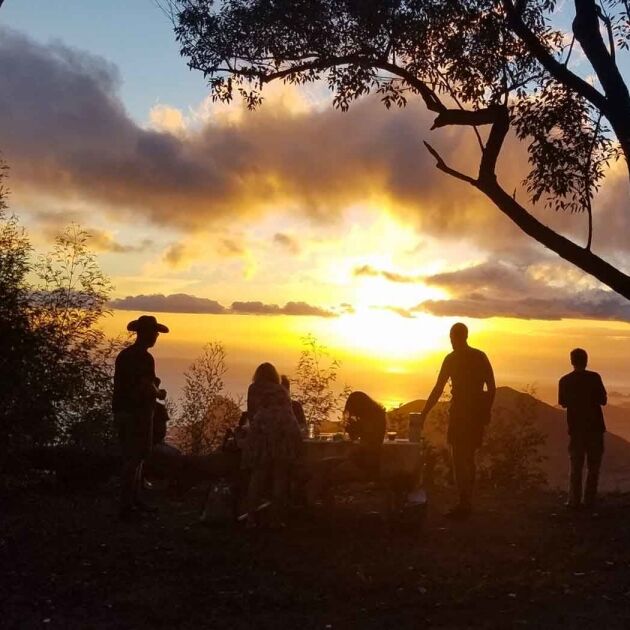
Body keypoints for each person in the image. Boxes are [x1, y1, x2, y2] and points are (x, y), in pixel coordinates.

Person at [419, 322, 495, 519]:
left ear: (454, 337)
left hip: (461, 412)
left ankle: (464, 504)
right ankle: (467, 501)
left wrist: (424, 413)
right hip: (476, 413)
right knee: (468, 458)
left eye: (451, 338)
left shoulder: (451, 359)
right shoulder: (480, 356)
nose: (451, 342)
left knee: (460, 458)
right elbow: (492, 387)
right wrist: (486, 410)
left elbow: (438, 389)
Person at [112, 315, 168, 521]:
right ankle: (127, 504)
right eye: (154, 333)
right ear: (146, 334)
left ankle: (132, 501)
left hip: (123, 411)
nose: (156, 337)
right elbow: (146, 385)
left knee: (133, 457)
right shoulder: (144, 358)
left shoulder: (125, 355)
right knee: (135, 458)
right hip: (138, 413)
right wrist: (158, 393)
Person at [241, 362, 302, 527]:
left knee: (258, 476)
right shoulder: (281, 390)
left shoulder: (254, 389)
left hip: (264, 434)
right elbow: (290, 414)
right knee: (280, 476)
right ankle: (275, 519)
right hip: (284, 433)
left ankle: (251, 519)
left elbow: (252, 413)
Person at [308, 391, 386, 504]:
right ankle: (320, 501)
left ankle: (318, 502)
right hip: (361, 463)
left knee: (327, 473)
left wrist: (354, 431)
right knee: (323, 465)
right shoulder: (374, 417)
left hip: (364, 467)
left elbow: (367, 446)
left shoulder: (371, 421)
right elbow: (359, 439)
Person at [558, 348, 607, 509]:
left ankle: (574, 501)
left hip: (576, 427)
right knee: (594, 466)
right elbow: (603, 400)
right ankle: (589, 500)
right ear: (586, 360)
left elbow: (563, 403)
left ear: (572, 361)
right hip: (595, 427)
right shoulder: (594, 378)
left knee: (576, 466)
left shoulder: (564, 381)